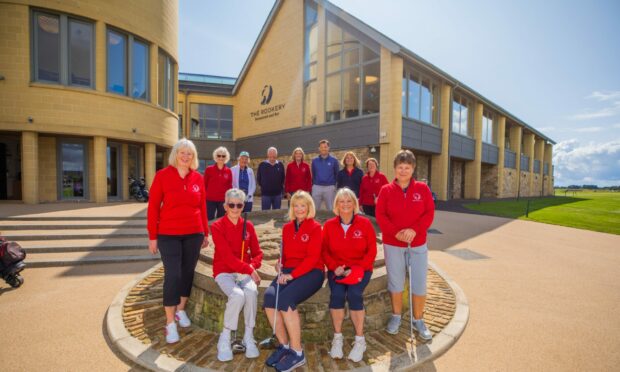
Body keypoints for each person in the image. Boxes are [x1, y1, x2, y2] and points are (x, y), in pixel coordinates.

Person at [147, 138, 209, 344]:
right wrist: (152, 236)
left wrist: (206, 233)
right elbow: (153, 207)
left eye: (189, 154)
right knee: (172, 275)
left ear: (194, 157)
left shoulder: (198, 178)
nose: (185, 156)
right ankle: (169, 323)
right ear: (175, 154)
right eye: (182, 152)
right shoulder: (163, 176)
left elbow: (202, 207)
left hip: (194, 233)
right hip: (168, 234)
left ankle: (180, 310)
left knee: (187, 273)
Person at [375, 150, 435, 341]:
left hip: (417, 244)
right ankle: (396, 316)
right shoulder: (386, 190)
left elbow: (429, 214)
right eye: (400, 167)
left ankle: (418, 320)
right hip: (393, 244)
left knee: (419, 282)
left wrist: (414, 230)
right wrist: (396, 233)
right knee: (396, 281)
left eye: (407, 167)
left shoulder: (423, 189)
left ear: (413, 168)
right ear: (394, 168)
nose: (403, 171)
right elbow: (381, 216)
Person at [263, 191, 324, 371]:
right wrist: (279, 263)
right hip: (289, 271)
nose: (299, 209)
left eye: (302, 205)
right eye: (296, 205)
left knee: (285, 300)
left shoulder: (315, 228)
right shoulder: (287, 228)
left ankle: (298, 353)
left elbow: (312, 259)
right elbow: (286, 255)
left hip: (312, 272)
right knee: (268, 298)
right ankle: (285, 346)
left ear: (309, 207)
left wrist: (292, 275)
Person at [322, 188, 377, 362]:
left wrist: (357, 268)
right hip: (337, 270)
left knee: (354, 294)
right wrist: (333, 266)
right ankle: (337, 338)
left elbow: (372, 252)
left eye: (349, 201)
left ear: (354, 204)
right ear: (336, 204)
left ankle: (360, 340)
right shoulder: (329, 225)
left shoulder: (365, 224)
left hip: (360, 269)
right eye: (341, 201)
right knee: (337, 295)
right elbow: (324, 251)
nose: (345, 204)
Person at [211, 188, 264, 361]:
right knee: (237, 295)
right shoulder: (217, 226)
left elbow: (258, 253)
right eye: (231, 204)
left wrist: (251, 266)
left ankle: (249, 336)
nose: (235, 208)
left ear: (243, 206)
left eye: (239, 205)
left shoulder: (248, 225)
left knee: (251, 292)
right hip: (224, 271)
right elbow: (226, 257)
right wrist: (250, 269)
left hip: (244, 270)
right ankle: (224, 338)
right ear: (225, 206)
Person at [204, 146, 232, 220]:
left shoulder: (228, 171)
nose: (221, 158)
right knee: (209, 220)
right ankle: (209, 232)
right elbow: (204, 185)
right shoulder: (209, 169)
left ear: (226, 157)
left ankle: (219, 232)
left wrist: (228, 200)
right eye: (219, 155)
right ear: (215, 156)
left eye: (223, 156)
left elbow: (229, 186)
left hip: (223, 200)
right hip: (210, 200)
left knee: (221, 220)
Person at [311, 139, 339, 210]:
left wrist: (333, 185)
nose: (324, 148)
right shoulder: (314, 161)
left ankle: (331, 221)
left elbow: (336, 174)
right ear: (319, 148)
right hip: (317, 187)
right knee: (314, 209)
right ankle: (314, 221)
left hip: (329, 187)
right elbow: (313, 173)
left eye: (325, 147)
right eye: (322, 147)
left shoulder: (334, 160)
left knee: (331, 209)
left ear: (328, 148)